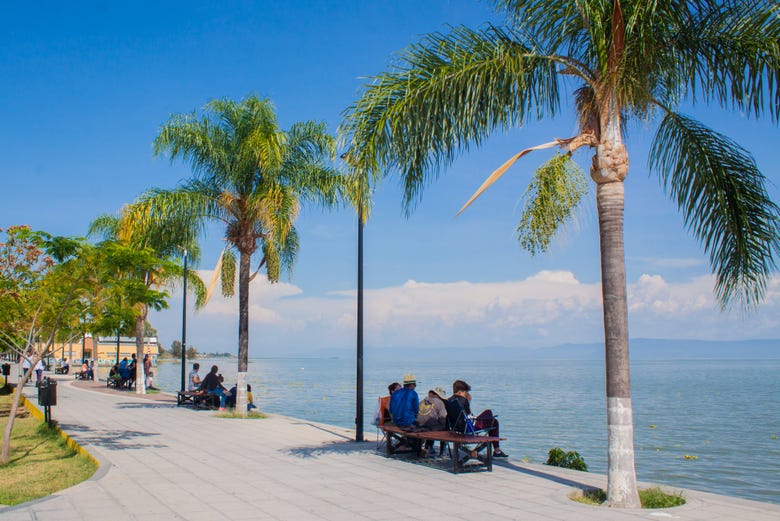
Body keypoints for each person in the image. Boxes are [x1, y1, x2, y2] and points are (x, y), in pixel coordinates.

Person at [445, 379, 508, 457]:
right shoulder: (463, 400)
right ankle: (497, 450)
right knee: (490, 415)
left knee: (493, 421)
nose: (466, 394)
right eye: (465, 392)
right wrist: (469, 401)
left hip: (456, 428)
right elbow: (469, 415)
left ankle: (497, 451)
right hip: (468, 428)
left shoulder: (448, 401)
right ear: (460, 392)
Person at [416, 386, 449, 456]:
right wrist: (444, 427)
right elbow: (442, 417)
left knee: (431, 424)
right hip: (431, 428)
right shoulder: (439, 402)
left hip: (419, 426)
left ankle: (428, 447)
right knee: (445, 428)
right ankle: (442, 452)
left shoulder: (422, 401)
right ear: (437, 395)